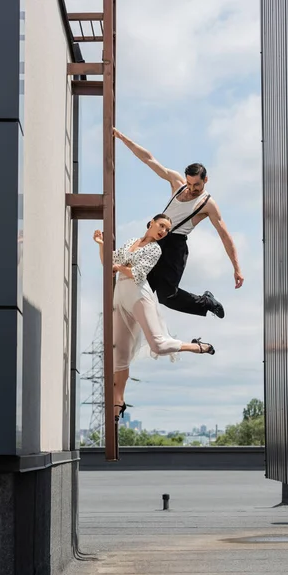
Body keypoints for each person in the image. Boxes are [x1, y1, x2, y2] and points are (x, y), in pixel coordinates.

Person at [93, 214, 215, 421]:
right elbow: (109, 262)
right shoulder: (133, 241)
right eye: (161, 226)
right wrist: (101, 244)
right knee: (119, 355)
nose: (163, 231)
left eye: (167, 229)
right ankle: (117, 403)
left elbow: (138, 273)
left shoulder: (155, 249)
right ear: (150, 223)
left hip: (139, 296)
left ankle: (197, 346)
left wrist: (120, 268)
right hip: (120, 297)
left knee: (158, 345)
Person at [113, 128, 245, 319]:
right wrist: (122, 137)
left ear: (205, 180)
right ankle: (128, 320)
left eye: (196, 186)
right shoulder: (177, 183)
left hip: (175, 245)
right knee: (138, 282)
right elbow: (148, 159)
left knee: (167, 297)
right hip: (156, 238)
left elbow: (225, 235)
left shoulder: (208, 204)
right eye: (189, 184)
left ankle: (206, 302)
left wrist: (237, 268)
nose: (191, 189)